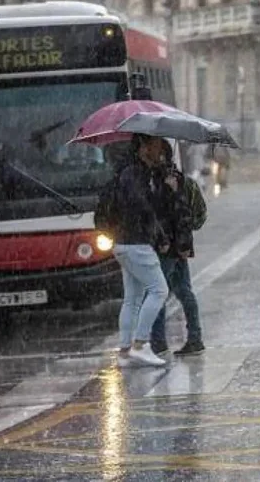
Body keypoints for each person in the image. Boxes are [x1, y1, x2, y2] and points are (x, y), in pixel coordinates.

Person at [111, 134, 170, 367]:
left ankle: (125, 351)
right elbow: (144, 207)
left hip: (124, 242)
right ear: (144, 148)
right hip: (136, 243)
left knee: (133, 298)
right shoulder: (136, 174)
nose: (161, 153)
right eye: (157, 147)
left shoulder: (129, 173)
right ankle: (141, 344)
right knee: (159, 290)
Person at [150, 140, 207, 357]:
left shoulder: (161, 182)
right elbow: (199, 216)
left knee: (158, 293)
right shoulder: (186, 182)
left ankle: (158, 343)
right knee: (183, 291)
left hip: (166, 247)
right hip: (180, 246)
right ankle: (195, 337)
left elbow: (167, 215)